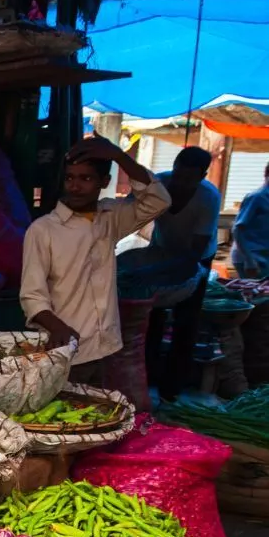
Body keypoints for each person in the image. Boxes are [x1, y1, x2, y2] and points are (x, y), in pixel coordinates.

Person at [20, 136, 170, 384]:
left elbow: (159, 200)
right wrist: (58, 328)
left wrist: (120, 157)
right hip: (65, 349)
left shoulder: (110, 217)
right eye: (70, 178)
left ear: (105, 182)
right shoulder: (43, 230)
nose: (75, 186)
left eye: (86, 178)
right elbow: (31, 295)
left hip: (106, 347)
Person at [129, 146, 220, 399]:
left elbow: (193, 254)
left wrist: (157, 270)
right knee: (152, 318)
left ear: (201, 176)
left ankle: (172, 388)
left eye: (188, 179)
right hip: (161, 249)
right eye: (178, 175)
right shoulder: (160, 183)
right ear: (174, 167)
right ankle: (146, 380)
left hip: (197, 258)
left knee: (186, 321)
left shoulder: (208, 198)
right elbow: (126, 211)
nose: (180, 183)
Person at [232, 162, 269, 278]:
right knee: (254, 293)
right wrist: (249, 260)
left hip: (265, 256)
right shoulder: (257, 197)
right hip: (252, 257)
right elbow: (238, 229)